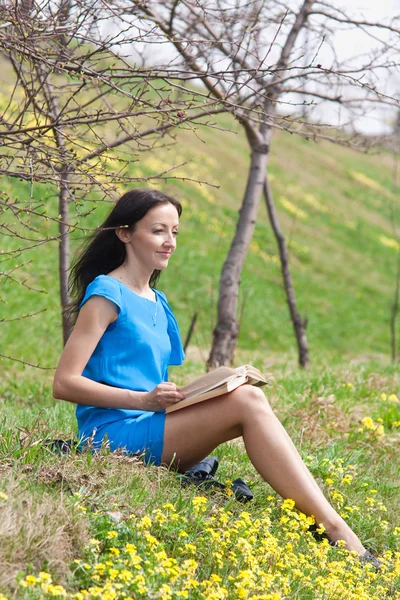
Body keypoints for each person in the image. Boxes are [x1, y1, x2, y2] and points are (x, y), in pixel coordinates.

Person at [53, 188, 380, 567]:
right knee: (249, 401)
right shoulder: (106, 295)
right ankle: (334, 528)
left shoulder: (156, 301)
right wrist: (142, 400)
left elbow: (147, 381)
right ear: (125, 233)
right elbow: (64, 382)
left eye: (175, 232)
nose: (170, 242)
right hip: (112, 434)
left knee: (242, 392)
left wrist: (198, 391)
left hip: (150, 423)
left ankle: (329, 522)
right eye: (159, 231)